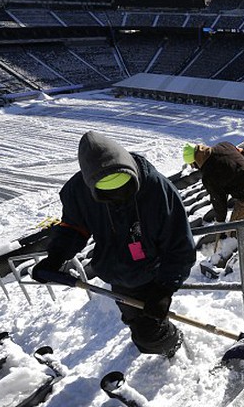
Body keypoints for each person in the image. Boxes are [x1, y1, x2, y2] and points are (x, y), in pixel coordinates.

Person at [32, 131, 196, 358]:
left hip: (153, 273)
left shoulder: (157, 188)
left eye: (125, 188)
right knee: (133, 319)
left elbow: (179, 245)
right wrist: (56, 257)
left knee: (149, 333)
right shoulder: (78, 192)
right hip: (117, 273)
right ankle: (156, 339)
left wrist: (164, 289)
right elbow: (74, 228)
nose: (119, 197)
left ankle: (174, 346)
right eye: (109, 193)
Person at [183, 142, 244, 223]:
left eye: (192, 165)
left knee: (235, 230)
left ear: (196, 161)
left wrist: (220, 221)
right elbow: (242, 152)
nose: (194, 168)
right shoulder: (224, 145)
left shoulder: (209, 175)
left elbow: (219, 201)